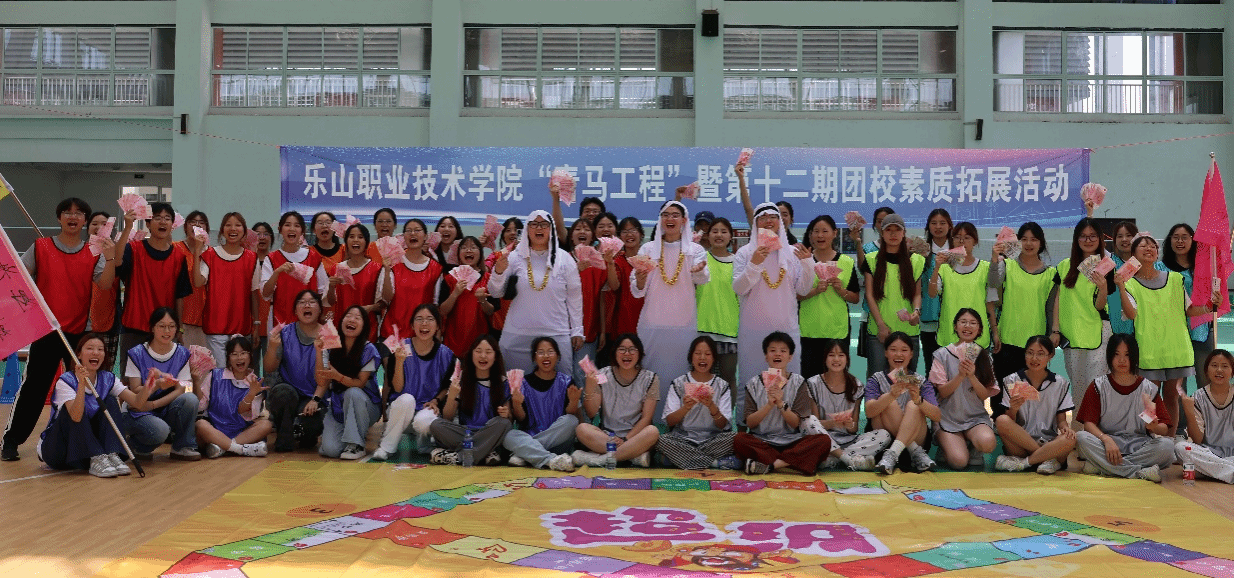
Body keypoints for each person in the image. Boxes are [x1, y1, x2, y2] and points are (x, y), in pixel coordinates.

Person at [2, 198, 115, 461]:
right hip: (47, 330)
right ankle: (11, 440)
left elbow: (106, 284)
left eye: (79, 213)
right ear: (59, 218)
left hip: (78, 332)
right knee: (34, 388)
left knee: (85, 386)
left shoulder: (92, 252)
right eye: (67, 212)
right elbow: (21, 277)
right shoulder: (40, 247)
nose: (72, 217)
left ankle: (91, 441)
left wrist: (110, 258)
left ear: (85, 221)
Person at [1116, 233, 1217, 438]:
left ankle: (1169, 440)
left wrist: (1209, 306)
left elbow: (1189, 310)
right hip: (1149, 351)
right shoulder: (1130, 284)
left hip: (1176, 348)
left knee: (1172, 397)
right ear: (1133, 254)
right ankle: (1150, 438)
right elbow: (1131, 314)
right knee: (1149, 399)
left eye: (1153, 246)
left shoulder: (1175, 279)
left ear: (1157, 253)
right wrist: (1120, 286)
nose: (1149, 249)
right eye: (1143, 246)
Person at [733, 202, 817, 419]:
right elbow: (739, 288)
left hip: (786, 329)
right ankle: (745, 425)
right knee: (749, 379)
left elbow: (803, 289)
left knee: (789, 381)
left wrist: (808, 264)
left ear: (781, 222)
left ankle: (792, 425)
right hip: (753, 331)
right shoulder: (744, 253)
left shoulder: (792, 253)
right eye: (762, 217)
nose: (768, 221)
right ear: (755, 224)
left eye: (773, 217)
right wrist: (754, 264)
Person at [632, 200, 710, 419]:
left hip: (683, 326)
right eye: (665, 215)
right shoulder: (648, 249)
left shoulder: (695, 250)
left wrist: (698, 270)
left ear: (684, 221)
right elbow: (637, 290)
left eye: (675, 215)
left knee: (681, 375)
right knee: (650, 375)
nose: (670, 219)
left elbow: (703, 278)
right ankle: (648, 422)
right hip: (652, 324)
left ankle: (679, 421)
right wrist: (640, 279)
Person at [486, 210, 583, 377]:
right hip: (518, 334)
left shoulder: (565, 259)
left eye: (544, 224)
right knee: (514, 384)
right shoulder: (514, 257)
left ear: (551, 229)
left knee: (560, 383)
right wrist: (499, 272)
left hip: (556, 332)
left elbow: (575, 297)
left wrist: (577, 330)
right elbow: (495, 292)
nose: (539, 228)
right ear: (527, 229)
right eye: (534, 224)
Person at [38, 334, 146, 477]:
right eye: (90, 348)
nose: (95, 352)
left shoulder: (108, 378)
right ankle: (96, 457)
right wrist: (81, 384)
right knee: (72, 408)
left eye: (100, 349)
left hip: (84, 450)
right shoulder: (66, 381)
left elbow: (137, 402)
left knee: (110, 400)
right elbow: (76, 417)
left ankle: (111, 453)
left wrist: (151, 386)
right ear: (79, 354)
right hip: (58, 450)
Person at [1075, 334, 1175, 483]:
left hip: (1139, 445)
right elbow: (1088, 424)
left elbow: (1164, 429)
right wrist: (1106, 439)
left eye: (1127, 355)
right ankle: (1139, 472)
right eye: (1117, 354)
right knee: (1081, 438)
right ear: (1110, 356)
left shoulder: (1148, 388)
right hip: (1107, 444)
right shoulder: (1098, 386)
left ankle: (1103, 466)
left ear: (1134, 357)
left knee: (1167, 446)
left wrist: (1154, 427)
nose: (1122, 360)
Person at [733, 332, 835, 475]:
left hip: (792, 442)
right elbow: (750, 423)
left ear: (790, 357)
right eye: (772, 350)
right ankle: (794, 463)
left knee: (823, 441)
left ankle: (771, 465)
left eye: (783, 351)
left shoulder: (799, 382)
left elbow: (795, 423)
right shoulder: (753, 384)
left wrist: (781, 404)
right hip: (762, 441)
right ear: (766, 356)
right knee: (739, 439)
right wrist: (769, 405)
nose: (777, 354)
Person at [109, 202, 193, 370]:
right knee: (130, 379)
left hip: (165, 330)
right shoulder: (133, 249)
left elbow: (180, 296)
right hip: (134, 327)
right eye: (157, 218)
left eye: (167, 218)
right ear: (147, 223)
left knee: (164, 379)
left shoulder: (179, 257)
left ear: (172, 224)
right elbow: (116, 262)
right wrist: (128, 227)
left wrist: (179, 329)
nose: (162, 222)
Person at [372, 304, 456, 461]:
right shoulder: (400, 348)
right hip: (401, 411)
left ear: (438, 326)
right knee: (407, 399)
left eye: (430, 319)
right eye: (419, 319)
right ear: (412, 325)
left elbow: (447, 386)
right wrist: (399, 361)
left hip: (426, 410)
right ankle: (386, 447)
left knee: (424, 421)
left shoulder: (446, 354)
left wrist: (436, 400)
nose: (424, 323)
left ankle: (424, 442)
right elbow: (397, 388)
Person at [1052, 218, 1114, 416]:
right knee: (1077, 387)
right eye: (1083, 236)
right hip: (1072, 335)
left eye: (1093, 236)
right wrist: (1055, 330)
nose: (1088, 240)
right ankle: (1080, 429)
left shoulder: (1106, 266)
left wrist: (1103, 287)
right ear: (1076, 239)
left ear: (1100, 239)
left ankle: (1096, 428)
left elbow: (1100, 306)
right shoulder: (1063, 266)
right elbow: (1057, 300)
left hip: (1098, 334)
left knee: (1095, 386)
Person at [989, 222, 1057, 401]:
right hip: (1007, 340)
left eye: (1033, 239)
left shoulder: (1051, 274)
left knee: (1029, 397)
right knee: (1002, 395)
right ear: (1018, 242)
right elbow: (993, 284)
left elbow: (1051, 308)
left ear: (1041, 243)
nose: (1028, 243)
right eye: (1024, 239)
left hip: (1035, 345)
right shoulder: (1007, 265)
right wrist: (995, 257)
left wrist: (1052, 334)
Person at [123, 307, 200, 461]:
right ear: (152, 328)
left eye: (171, 326)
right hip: (139, 409)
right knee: (159, 431)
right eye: (162, 326)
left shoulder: (183, 353)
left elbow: (186, 388)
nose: (167, 331)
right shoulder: (136, 353)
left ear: (177, 329)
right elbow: (136, 390)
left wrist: (153, 405)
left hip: (162, 406)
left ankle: (183, 447)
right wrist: (157, 384)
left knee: (190, 399)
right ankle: (136, 446)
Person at [804, 339, 892, 471]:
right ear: (825, 359)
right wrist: (833, 423)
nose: (836, 359)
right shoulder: (813, 383)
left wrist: (849, 424)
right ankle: (848, 459)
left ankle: (832, 459)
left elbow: (853, 429)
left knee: (884, 435)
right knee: (808, 421)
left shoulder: (857, 385)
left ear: (847, 359)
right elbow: (814, 423)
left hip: (847, 441)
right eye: (831, 355)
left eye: (841, 355)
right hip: (822, 439)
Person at [574, 333, 661, 467]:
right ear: (615, 353)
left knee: (652, 432)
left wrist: (626, 439)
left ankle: (600, 460)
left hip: (635, 437)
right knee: (581, 429)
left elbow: (646, 418)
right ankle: (630, 456)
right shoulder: (603, 374)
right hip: (607, 437)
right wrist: (590, 387)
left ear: (639, 353)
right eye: (622, 349)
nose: (627, 353)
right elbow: (591, 413)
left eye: (632, 349)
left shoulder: (650, 378)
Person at [993, 335, 1076, 474]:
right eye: (1030, 353)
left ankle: (1024, 463)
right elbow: (1010, 420)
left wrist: (1066, 428)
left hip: (1048, 442)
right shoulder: (1011, 380)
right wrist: (1013, 409)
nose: (1034, 358)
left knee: (1070, 439)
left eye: (1040, 354)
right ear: (1024, 354)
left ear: (1050, 356)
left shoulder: (1061, 383)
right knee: (1001, 420)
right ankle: (1046, 458)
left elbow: (1061, 421)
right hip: (1021, 444)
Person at [427, 335, 513, 465]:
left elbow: (509, 418)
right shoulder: (462, 379)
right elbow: (447, 417)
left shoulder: (503, 382)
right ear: (472, 354)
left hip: (489, 431)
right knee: (436, 425)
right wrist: (451, 397)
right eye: (478, 351)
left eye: (488, 352)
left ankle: (459, 457)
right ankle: (485, 452)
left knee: (504, 424)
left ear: (495, 356)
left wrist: (506, 414)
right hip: (465, 433)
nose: (483, 356)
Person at [930, 309, 998, 470]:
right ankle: (945, 445)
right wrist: (960, 376)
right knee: (959, 461)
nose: (968, 326)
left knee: (988, 443)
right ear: (955, 326)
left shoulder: (984, 356)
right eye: (963, 322)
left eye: (973, 323)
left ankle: (973, 446)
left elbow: (985, 395)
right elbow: (942, 392)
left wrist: (972, 376)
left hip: (975, 418)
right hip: (947, 418)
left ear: (979, 329)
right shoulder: (942, 354)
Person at [861, 213, 924, 377]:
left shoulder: (916, 260)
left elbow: (917, 294)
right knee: (877, 381)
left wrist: (916, 312)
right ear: (882, 233)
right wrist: (881, 325)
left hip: (908, 332)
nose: (893, 234)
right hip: (880, 332)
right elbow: (869, 295)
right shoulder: (871, 259)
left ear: (904, 233)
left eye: (898, 230)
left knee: (907, 381)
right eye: (889, 230)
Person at [503, 337, 580, 472]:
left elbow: (570, 415)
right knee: (509, 435)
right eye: (540, 352)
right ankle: (550, 460)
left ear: (558, 356)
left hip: (558, 442)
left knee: (572, 421)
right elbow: (521, 419)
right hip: (531, 435)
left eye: (550, 351)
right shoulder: (523, 383)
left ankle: (526, 453)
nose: (546, 356)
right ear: (534, 358)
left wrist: (573, 401)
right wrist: (517, 404)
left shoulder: (566, 381)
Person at [867, 332, 940, 474]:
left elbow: (937, 416)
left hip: (917, 437)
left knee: (914, 405)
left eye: (904, 350)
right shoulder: (876, 379)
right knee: (888, 401)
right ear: (886, 353)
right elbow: (869, 412)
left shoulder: (920, 381)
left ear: (911, 354)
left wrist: (919, 400)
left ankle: (893, 453)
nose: (898, 354)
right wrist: (891, 395)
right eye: (893, 350)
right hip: (885, 441)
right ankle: (913, 451)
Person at [660, 337, 737, 470]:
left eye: (707, 354)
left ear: (714, 358)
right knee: (662, 440)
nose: (702, 358)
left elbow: (723, 425)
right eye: (697, 353)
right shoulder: (678, 383)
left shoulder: (722, 385)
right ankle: (713, 462)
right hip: (683, 439)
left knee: (735, 438)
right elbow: (669, 421)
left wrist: (711, 406)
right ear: (691, 357)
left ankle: (682, 460)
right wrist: (686, 408)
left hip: (712, 440)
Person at [264, 290, 327, 452]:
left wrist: (315, 400)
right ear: (295, 311)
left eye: (312, 302)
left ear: (320, 309)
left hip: (315, 396)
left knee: (311, 427)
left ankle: (304, 432)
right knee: (282, 393)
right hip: (289, 393)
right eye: (302, 302)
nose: (307, 305)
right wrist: (272, 347)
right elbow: (269, 368)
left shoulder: (328, 335)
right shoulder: (285, 333)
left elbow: (325, 379)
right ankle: (284, 437)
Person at [194, 211, 260, 365]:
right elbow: (198, 282)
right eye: (228, 225)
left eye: (238, 225)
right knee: (220, 373)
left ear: (244, 230)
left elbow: (254, 294)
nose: (233, 229)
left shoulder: (252, 258)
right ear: (222, 230)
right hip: (216, 329)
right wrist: (197, 251)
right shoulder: (210, 254)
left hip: (242, 329)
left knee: (239, 373)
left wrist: (256, 325)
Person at [317, 306, 382, 460]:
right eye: (348, 316)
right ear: (341, 321)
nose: (352, 319)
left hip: (366, 405)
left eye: (357, 318)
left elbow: (360, 383)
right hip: (338, 404)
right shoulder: (331, 345)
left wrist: (337, 376)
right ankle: (344, 436)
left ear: (364, 326)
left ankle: (356, 444)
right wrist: (319, 351)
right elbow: (321, 380)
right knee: (331, 450)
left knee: (353, 392)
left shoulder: (369, 349)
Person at [798, 216, 860, 379]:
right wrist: (814, 291)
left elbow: (855, 298)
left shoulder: (846, 262)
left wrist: (841, 290)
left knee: (836, 379)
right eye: (816, 231)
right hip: (809, 331)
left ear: (834, 233)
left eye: (825, 231)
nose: (820, 235)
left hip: (837, 331)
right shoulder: (804, 261)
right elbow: (795, 296)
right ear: (811, 235)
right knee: (809, 379)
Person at [192, 335, 271, 459]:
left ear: (250, 356)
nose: (239, 358)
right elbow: (201, 406)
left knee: (266, 425)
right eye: (234, 354)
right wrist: (196, 382)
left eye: (243, 353)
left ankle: (222, 447)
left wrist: (251, 394)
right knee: (200, 424)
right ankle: (241, 449)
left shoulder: (256, 382)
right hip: (214, 430)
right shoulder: (215, 375)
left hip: (242, 432)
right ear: (228, 358)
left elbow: (246, 414)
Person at [1163, 223, 1214, 392]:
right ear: (1169, 241)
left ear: (1193, 241)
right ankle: (1180, 412)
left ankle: (1204, 409)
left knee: (1205, 380)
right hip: (1172, 332)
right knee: (1176, 387)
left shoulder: (1203, 268)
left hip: (1200, 329)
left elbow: (1213, 293)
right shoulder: (1161, 268)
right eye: (1176, 237)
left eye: (1185, 237)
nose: (1180, 241)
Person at [928, 222, 995, 351]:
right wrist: (937, 267)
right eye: (957, 237)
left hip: (978, 339)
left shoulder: (985, 268)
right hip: (949, 337)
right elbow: (932, 293)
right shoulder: (944, 268)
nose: (961, 241)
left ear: (975, 241)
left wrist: (995, 332)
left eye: (967, 237)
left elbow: (990, 303)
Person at [261, 211, 329, 328]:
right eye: (287, 225)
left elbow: (324, 292)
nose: (292, 229)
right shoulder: (271, 259)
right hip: (280, 322)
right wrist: (277, 272)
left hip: (309, 323)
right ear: (280, 229)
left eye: (297, 225)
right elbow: (266, 294)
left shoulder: (314, 258)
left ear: (302, 231)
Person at [695, 217, 740, 391]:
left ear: (730, 236)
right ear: (708, 235)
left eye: (723, 231)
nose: (719, 235)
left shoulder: (738, 262)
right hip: (702, 330)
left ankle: (728, 411)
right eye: (714, 231)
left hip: (729, 332)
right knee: (702, 381)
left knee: (728, 380)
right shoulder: (700, 260)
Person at [1176, 350, 1234, 483]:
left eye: (1225, 366)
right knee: (1181, 448)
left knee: (1190, 466)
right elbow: (1197, 440)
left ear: (1232, 372)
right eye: (1214, 365)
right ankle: (1228, 472)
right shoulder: (1198, 397)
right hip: (1209, 454)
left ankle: (1211, 471)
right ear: (1206, 371)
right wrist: (1189, 412)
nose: (1219, 370)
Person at [381, 218, 443, 338]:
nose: (413, 233)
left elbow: (435, 305)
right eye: (408, 231)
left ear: (425, 236)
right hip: (392, 333)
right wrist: (387, 271)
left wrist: (437, 333)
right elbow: (386, 298)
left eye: (417, 230)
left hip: (421, 335)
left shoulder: (435, 268)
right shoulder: (393, 263)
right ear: (404, 237)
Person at [439, 236, 494, 356]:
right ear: (459, 254)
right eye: (464, 248)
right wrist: (455, 294)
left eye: (473, 247)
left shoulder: (488, 279)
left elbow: (491, 312)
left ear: (480, 253)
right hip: (453, 343)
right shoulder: (449, 278)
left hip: (480, 344)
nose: (468, 250)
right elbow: (442, 311)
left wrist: (483, 300)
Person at [329, 222, 383, 342]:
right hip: (341, 328)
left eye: (360, 237)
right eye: (351, 236)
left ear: (366, 242)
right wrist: (331, 286)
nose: (356, 240)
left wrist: (370, 308)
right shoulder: (336, 268)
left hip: (367, 329)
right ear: (346, 241)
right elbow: (331, 301)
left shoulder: (377, 269)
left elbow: (382, 304)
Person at [86, 210, 122, 373]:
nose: (99, 227)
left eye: (104, 224)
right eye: (94, 224)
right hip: (81, 323)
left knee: (105, 370)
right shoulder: (79, 251)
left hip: (108, 321)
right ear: (87, 228)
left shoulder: (117, 254)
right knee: (80, 370)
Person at [919, 209, 953, 373]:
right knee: (931, 367)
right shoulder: (920, 252)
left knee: (953, 367)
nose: (938, 227)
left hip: (953, 318)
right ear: (928, 227)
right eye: (934, 223)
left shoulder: (957, 252)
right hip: (929, 317)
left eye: (942, 223)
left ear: (950, 226)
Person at [607, 217, 646, 355]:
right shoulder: (617, 261)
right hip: (624, 320)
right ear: (619, 237)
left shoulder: (650, 259)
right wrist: (610, 263)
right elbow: (614, 286)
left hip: (648, 318)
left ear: (641, 234)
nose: (629, 234)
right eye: (624, 231)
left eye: (633, 230)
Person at [174, 211, 211, 350]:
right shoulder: (175, 248)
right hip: (180, 317)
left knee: (203, 360)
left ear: (206, 228)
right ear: (185, 227)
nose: (197, 225)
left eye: (201, 222)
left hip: (204, 319)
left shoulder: (211, 253)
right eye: (192, 222)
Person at [487, 217, 523, 340]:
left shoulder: (530, 257)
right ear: (503, 236)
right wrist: (483, 246)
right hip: (501, 316)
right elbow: (484, 270)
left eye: (517, 230)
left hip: (525, 315)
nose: (513, 233)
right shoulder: (496, 256)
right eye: (508, 230)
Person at [251, 222, 275, 374]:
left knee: (270, 371)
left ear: (271, 238)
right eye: (257, 234)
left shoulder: (275, 261)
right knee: (248, 369)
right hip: (250, 322)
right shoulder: (247, 259)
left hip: (270, 321)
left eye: (266, 234)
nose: (261, 237)